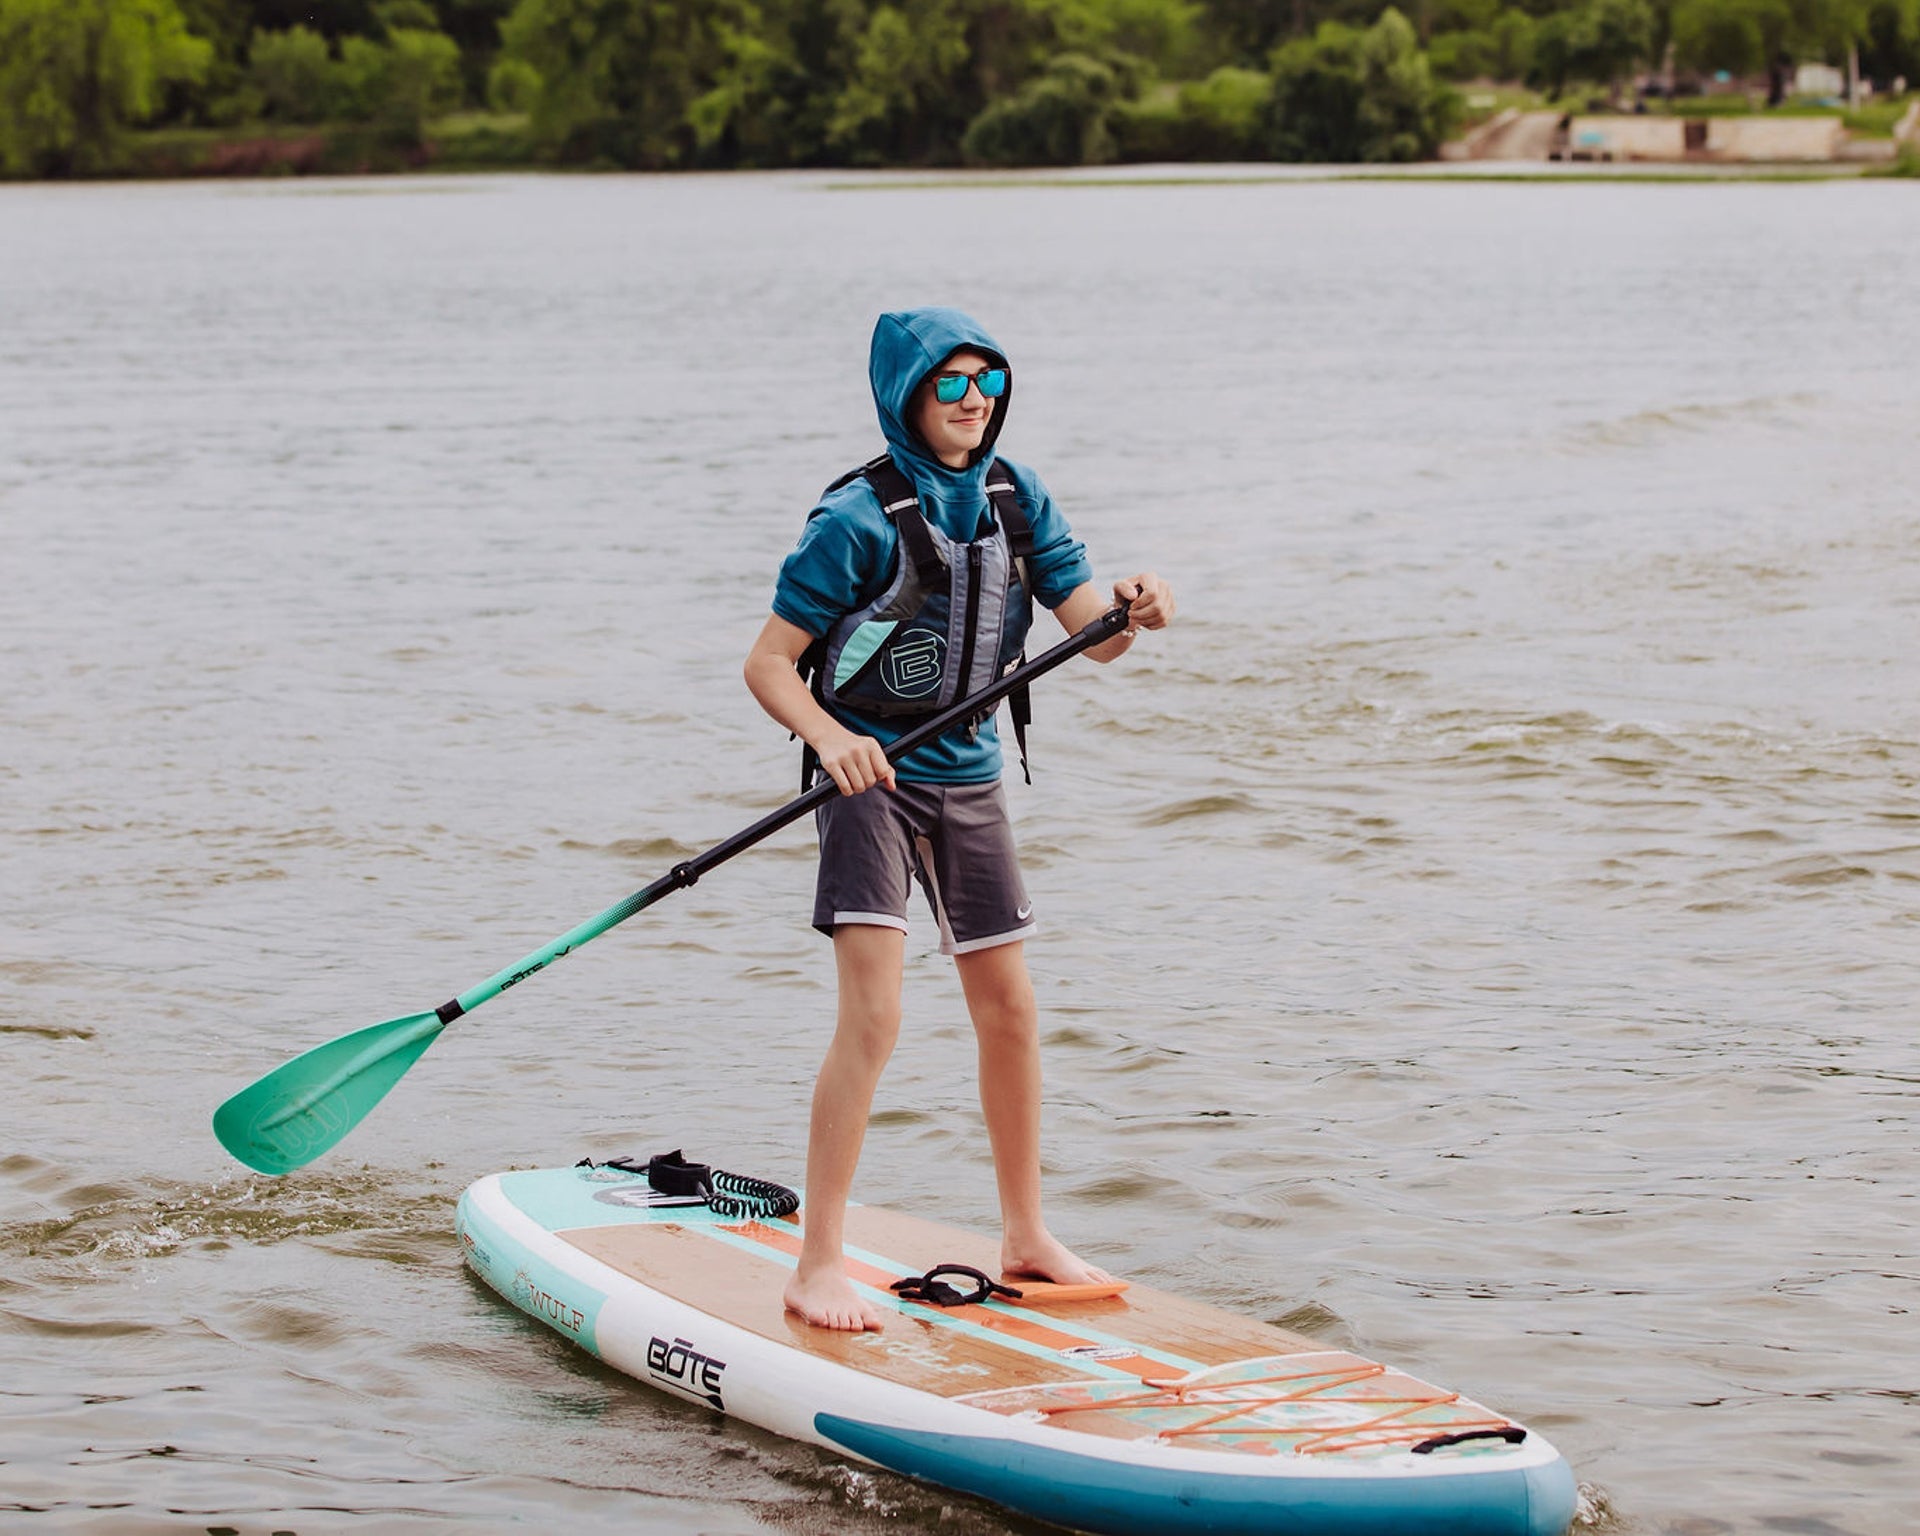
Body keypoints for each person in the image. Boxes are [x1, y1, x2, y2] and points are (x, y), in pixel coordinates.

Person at [743, 307, 1173, 1331]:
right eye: (951, 385)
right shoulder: (853, 520)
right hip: (869, 783)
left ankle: (1025, 1236)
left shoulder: (1017, 500)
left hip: (972, 775)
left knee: (1012, 1013)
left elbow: (1096, 639)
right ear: (907, 395)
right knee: (877, 1016)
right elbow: (767, 664)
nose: (974, 400)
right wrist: (832, 738)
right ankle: (816, 1266)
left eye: (988, 382)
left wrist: (1138, 605)